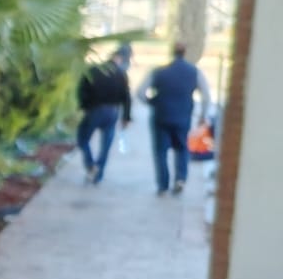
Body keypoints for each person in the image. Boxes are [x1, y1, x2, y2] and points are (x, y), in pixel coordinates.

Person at [135, 41, 213, 195]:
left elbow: (140, 92)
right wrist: (203, 115)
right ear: (185, 53)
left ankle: (163, 184)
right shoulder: (194, 72)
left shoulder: (158, 72)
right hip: (183, 117)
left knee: (161, 151)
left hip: (161, 116)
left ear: (172, 52)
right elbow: (206, 96)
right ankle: (180, 179)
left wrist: (152, 102)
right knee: (182, 148)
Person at [75, 42, 133, 183]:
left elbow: (82, 90)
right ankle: (98, 173)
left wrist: (85, 106)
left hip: (95, 109)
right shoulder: (121, 74)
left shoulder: (94, 71)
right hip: (112, 111)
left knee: (83, 138)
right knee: (106, 145)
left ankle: (90, 165)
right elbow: (126, 97)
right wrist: (126, 117)